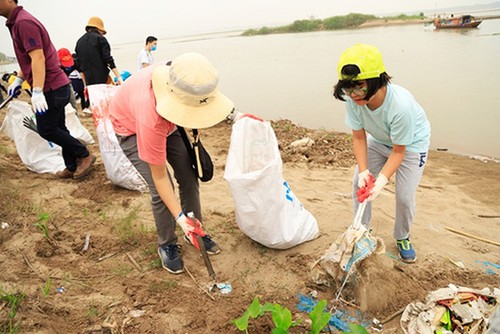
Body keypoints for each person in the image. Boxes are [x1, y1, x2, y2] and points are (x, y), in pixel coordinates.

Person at [109, 53, 234, 274]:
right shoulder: (150, 116)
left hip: (169, 123)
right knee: (162, 188)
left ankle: (195, 230)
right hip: (131, 127)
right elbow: (158, 177)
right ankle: (167, 243)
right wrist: (179, 217)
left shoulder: (185, 77)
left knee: (188, 174)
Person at [333, 44, 431, 263]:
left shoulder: (400, 106)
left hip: (412, 144)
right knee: (358, 183)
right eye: (347, 87)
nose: (353, 93)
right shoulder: (354, 99)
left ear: (377, 80)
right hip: (378, 139)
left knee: (404, 197)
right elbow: (359, 137)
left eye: (359, 85)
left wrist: (381, 181)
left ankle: (403, 236)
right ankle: (361, 231)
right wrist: (365, 171)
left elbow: (399, 151)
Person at [0, 0, 96, 179]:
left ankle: (83, 154)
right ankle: (72, 164)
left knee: (46, 129)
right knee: (59, 126)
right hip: (55, 84)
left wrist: (37, 90)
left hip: (50, 85)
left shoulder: (23, 23)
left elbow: (38, 57)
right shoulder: (17, 23)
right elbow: (29, 58)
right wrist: (19, 79)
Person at [75, 16, 122, 87]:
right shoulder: (100, 39)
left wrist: (85, 85)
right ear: (99, 28)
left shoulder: (79, 42)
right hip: (103, 80)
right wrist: (119, 78)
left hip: (90, 84)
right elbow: (108, 60)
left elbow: (80, 67)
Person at [57, 47, 90, 114]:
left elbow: (81, 72)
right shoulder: (56, 65)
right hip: (59, 82)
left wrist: (85, 85)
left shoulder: (75, 62)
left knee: (74, 99)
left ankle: (77, 113)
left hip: (68, 80)